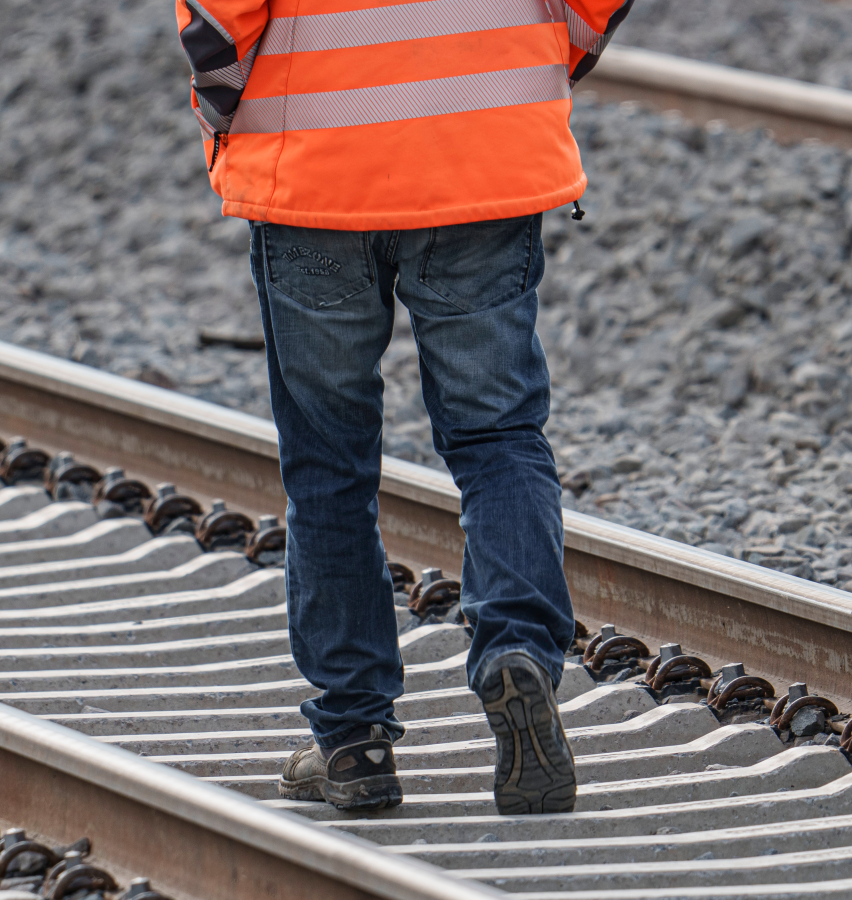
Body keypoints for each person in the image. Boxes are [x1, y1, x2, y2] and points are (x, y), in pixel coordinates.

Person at [175, 0, 634, 814]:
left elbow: (217, 14)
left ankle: (352, 740)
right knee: (498, 436)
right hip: (487, 154)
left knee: (328, 462)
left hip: (313, 166)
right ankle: (516, 652)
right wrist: (531, 68)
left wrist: (221, 108)